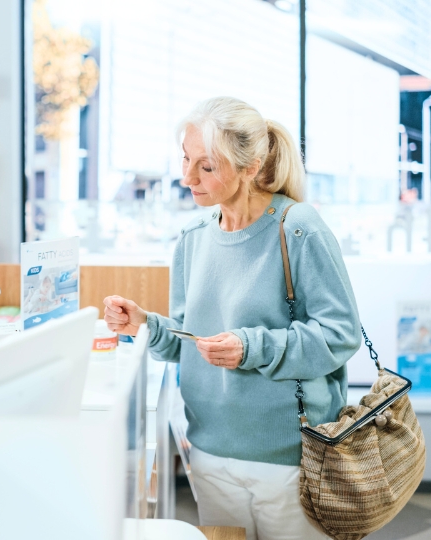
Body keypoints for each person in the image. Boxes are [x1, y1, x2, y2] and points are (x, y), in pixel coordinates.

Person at [104, 97, 360, 540]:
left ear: (250, 166)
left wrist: (251, 347)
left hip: (290, 456)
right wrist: (144, 323)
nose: (187, 178)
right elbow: (186, 339)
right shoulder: (192, 239)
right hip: (208, 450)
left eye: (206, 166)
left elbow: (340, 335)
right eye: (186, 160)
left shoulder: (298, 227)